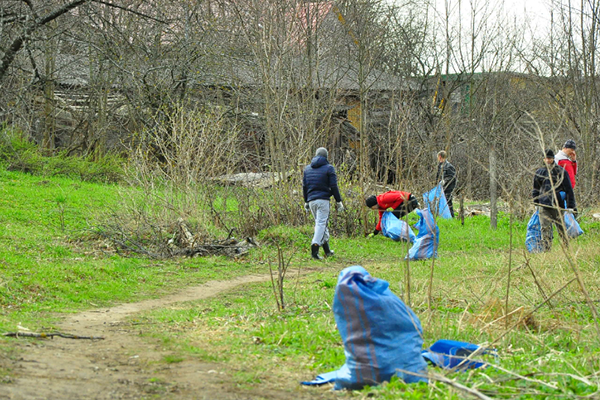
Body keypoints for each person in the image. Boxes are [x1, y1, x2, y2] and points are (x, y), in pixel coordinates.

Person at [303, 147, 344, 259]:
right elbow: (333, 186)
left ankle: (327, 251)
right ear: (326, 156)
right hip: (323, 201)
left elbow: (305, 187)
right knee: (321, 224)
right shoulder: (329, 168)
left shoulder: (307, 169)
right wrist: (338, 201)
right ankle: (314, 248)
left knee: (322, 224)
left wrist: (306, 201)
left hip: (311, 201)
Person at [532, 149, 576, 251]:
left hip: (557, 206)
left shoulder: (561, 171)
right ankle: (547, 249)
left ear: (553, 159)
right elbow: (535, 189)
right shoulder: (539, 172)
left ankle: (567, 249)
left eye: (550, 158)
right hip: (544, 206)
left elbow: (569, 190)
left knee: (562, 228)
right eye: (546, 158)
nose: (548, 160)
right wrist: (536, 203)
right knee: (545, 228)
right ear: (543, 159)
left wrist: (570, 206)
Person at [436, 151, 457, 218]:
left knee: (448, 202)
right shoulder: (440, 165)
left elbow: (452, 177)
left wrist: (444, 181)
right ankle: (443, 217)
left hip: (448, 188)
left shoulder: (449, 166)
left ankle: (452, 217)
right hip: (441, 188)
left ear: (440, 157)